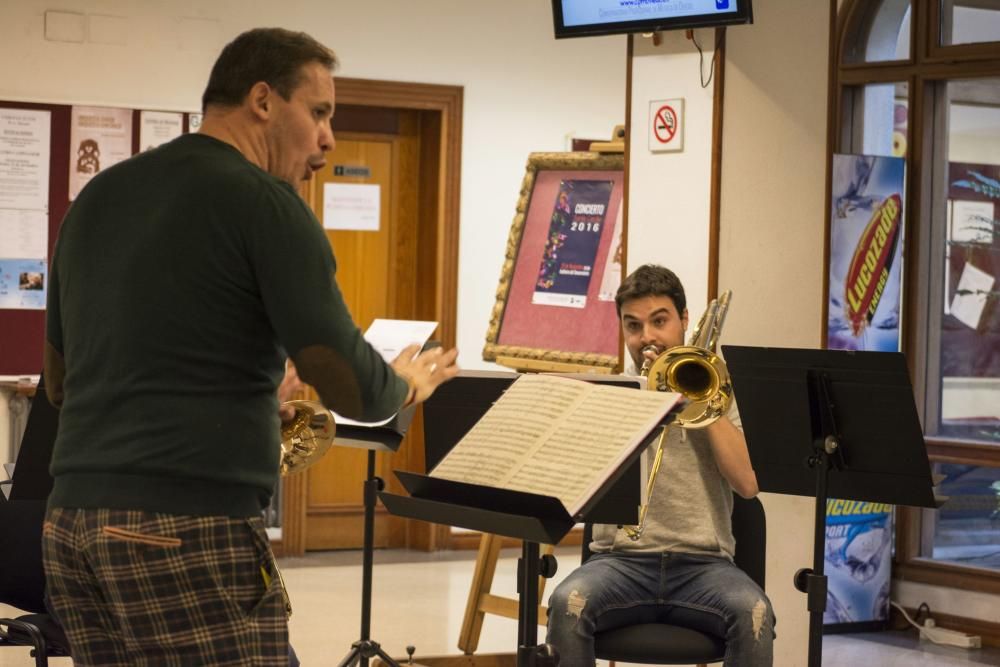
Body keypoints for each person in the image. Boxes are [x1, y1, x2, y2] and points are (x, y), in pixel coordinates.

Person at [41, 27, 458, 666]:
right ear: (263, 100)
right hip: (185, 526)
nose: (328, 138)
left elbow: (61, 381)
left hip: (69, 528)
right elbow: (348, 380)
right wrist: (404, 381)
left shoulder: (97, 198)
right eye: (317, 112)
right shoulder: (267, 204)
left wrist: (246, 401)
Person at [546, 264, 774, 667]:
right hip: (619, 563)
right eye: (633, 325)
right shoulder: (610, 395)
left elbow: (747, 484)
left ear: (684, 321)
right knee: (566, 604)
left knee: (752, 612)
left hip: (705, 566)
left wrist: (702, 403)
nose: (646, 337)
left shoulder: (721, 395)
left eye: (659, 321)